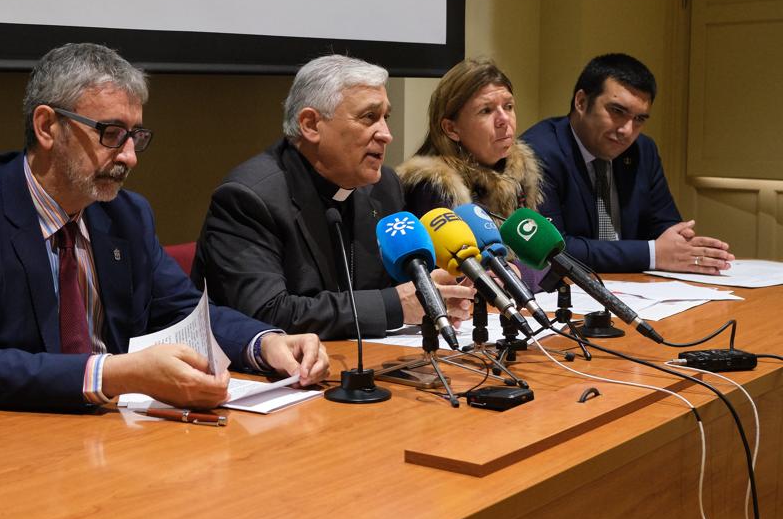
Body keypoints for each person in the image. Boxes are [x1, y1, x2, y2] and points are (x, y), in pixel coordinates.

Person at [0, 43, 328, 415]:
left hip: (112, 437)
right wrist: (116, 374)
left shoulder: (125, 214)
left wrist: (263, 342)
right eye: (111, 134)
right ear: (46, 127)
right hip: (1, 442)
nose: (129, 158)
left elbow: (181, 310)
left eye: (135, 137)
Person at [192, 55, 474, 341]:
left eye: (385, 117)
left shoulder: (384, 186)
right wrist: (395, 305)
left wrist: (437, 290)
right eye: (369, 117)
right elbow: (266, 313)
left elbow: (395, 286)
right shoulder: (248, 198)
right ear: (311, 125)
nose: (386, 135)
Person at [521, 53, 733, 273]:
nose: (627, 131)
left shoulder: (643, 150)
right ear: (582, 102)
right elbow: (554, 250)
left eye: (639, 119)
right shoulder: (538, 153)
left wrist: (684, 245)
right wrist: (652, 254)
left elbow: (665, 228)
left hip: (638, 290)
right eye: (617, 111)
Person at [396, 58, 544, 220]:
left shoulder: (520, 172)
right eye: (486, 111)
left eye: (508, 107)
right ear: (451, 129)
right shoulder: (433, 189)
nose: (504, 119)